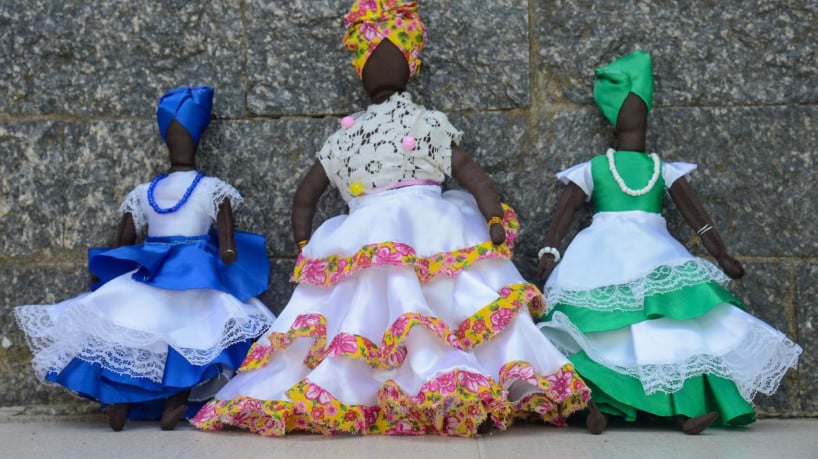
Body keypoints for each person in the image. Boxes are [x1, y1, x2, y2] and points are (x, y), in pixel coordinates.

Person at [191, 0, 589, 437]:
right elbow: (473, 176)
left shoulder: (378, 132)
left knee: (405, 307)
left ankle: (429, 385)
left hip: (385, 229)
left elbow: (305, 197)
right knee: (429, 303)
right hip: (415, 226)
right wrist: (491, 215)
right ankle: (430, 384)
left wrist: (306, 243)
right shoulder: (394, 128)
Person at [537, 51, 802, 434]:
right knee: (598, 329)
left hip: (654, 253)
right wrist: (550, 249)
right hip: (600, 256)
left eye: (641, 111)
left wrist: (721, 254)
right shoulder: (595, 168)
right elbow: (564, 212)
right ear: (614, 119)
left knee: (669, 332)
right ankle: (595, 405)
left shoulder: (661, 169)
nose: (636, 119)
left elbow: (697, 215)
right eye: (631, 111)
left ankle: (682, 411)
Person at [14, 86, 275, 431]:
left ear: (196, 140)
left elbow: (226, 236)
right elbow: (125, 237)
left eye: (184, 137)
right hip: (156, 271)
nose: (179, 144)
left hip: (192, 274)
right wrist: (108, 264)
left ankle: (172, 399)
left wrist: (227, 251)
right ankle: (125, 399)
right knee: (140, 332)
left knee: (183, 334)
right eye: (174, 138)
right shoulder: (148, 192)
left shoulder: (209, 188)